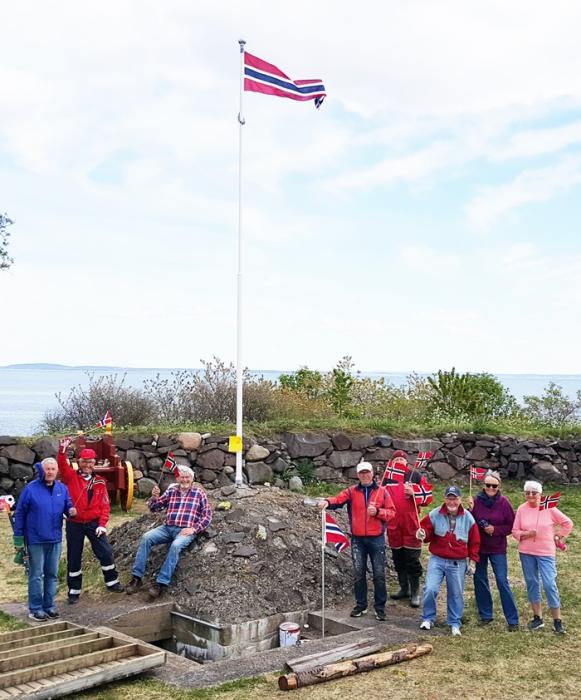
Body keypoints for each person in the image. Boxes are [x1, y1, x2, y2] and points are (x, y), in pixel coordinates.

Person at [319, 461, 396, 621]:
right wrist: (327, 501)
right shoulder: (352, 491)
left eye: (367, 472)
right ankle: (361, 605)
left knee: (379, 574)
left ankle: (380, 608)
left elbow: (391, 513)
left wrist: (378, 512)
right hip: (358, 540)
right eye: (361, 473)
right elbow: (338, 499)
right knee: (358, 574)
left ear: (372, 473)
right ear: (358, 475)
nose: (365, 475)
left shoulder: (382, 492)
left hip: (377, 539)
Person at [126, 465, 212, 599]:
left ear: (192, 479)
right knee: (146, 537)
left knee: (176, 545)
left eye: (187, 477)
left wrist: (194, 529)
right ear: (178, 478)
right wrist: (154, 498)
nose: (184, 480)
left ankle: (161, 584)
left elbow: (207, 516)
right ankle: (137, 578)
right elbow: (155, 508)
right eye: (182, 477)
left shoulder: (199, 493)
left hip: (185, 530)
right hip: (167, 528)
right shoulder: (172, 491)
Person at [57, 437, 124, 603]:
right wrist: (62, 449)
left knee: (106, 552)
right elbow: (62, 464)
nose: (87, 465)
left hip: (94, 524)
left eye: (91, 462)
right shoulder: (70, 476)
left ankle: (112, 582)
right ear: (80, 462)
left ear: (94, 463)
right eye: (85, 461)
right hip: (75, 524)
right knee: (74, 556)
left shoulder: (100, 481)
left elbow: (105, 506)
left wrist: (102, 525)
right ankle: (74, 590)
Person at [13, 459, 75, 621]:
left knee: (52, 574)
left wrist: (71, 510)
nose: (50, 472)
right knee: (36, 574)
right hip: (35, 539)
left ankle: (49, 605)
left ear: (57, 471)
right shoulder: (30, 489)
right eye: (47, 469)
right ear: (42, 470)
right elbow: (19, 513)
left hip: (55, 539)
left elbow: (68, 505)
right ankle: (35, 608)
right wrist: (18, 537)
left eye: (53, 469)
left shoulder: (62, 488)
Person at [512, 480, 573, 635]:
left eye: (534, 492)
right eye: (527, 493)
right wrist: (526, 534)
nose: (531, 495)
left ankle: (557, 621)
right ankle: (537, 618)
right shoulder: (521, 509)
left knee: (549, 584)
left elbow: (567, 523)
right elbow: (515, 531)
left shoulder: (549, 508)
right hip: (526, 552)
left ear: (540, 494)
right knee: (532, 583)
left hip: (546, 552)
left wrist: (559, 535)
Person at [419, 485, 480, 637]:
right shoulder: (434, 514)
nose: (452, 502)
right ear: (445, 499)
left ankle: (454, 622)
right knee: (430, 589)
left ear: (460, 500)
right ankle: (428, 618)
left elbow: (474, 541)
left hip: (457, 562)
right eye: (449, 498)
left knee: (456, 593)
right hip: (437, 560)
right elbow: (426, 532)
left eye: (455, 499)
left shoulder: (468, 518)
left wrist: (473, 561)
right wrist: (422, 534)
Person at [467, 470, 519, 630]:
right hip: (480, 547)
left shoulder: (504, 503)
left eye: (494, 486)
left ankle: (512, 619)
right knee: (480, 579)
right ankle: (485, 615)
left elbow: (511, 525)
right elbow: (470, 522)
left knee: (502, 581)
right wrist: (469, 510)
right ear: (484, 485)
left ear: (499, 486)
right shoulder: (475, 501)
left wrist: (495, 530)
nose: (490, 488)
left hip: (497, 547)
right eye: (488, 485)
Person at [385, 450, 424, 608]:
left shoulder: (415, 476)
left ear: (406, 462)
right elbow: (380, 496)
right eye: (397, 459)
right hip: (394, 524)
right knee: (398, 558)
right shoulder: (387, 478)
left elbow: (427, 496)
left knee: (412, 559)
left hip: (410, 524)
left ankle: (415, 592)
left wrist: (415, 493)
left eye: (402, 459)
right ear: (392, 463)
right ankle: (404, 588)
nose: (400, 461)